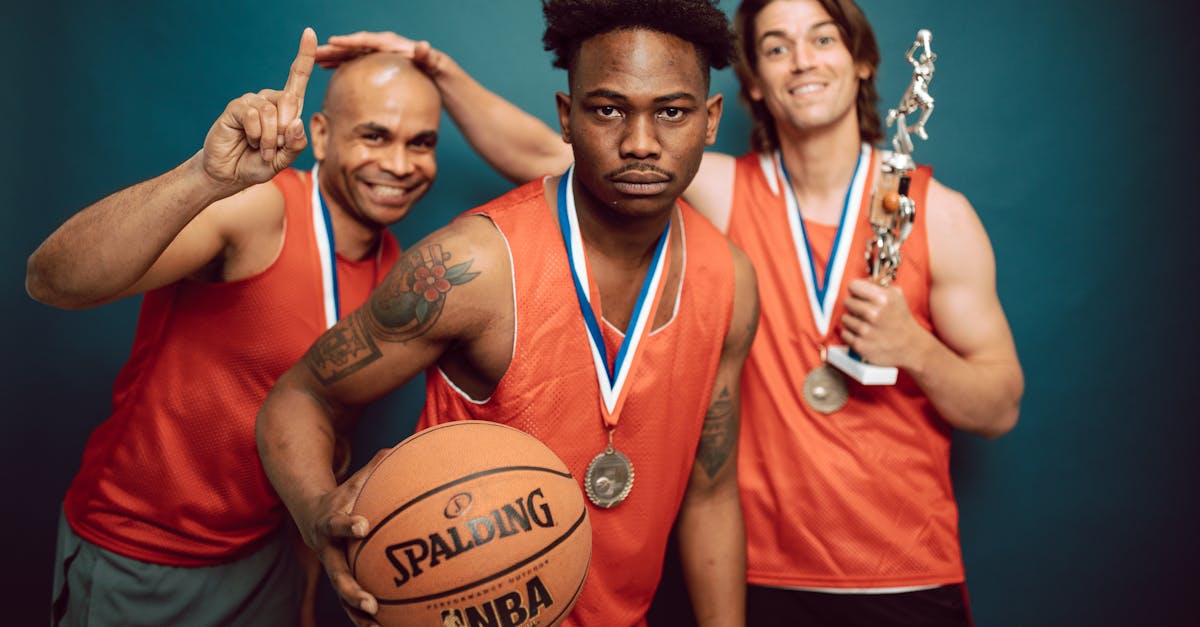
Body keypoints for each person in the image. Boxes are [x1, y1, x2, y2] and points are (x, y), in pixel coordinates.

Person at [319, 0, 1024, 624]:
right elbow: (560, 149)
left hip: (902, 565)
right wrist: (433, 67)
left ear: (863, 60)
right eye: (776, 45)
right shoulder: (716, 187)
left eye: (823, 38)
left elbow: (999, 407)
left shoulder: (935, 213)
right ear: (750, 81)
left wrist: (918, 348)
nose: (801, 60)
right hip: (759, 571)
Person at [256, 1, 758, 626]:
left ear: (710, 121)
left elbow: (710, 494)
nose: (639, 143)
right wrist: (315, 511)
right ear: (566, 117)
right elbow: (298, 397)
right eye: (607, 109)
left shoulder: (729, 279)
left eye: (672, 112)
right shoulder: (472, 268)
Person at [26, 28, 443, 626]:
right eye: (375, 136)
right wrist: (205, 179)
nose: (401, 165)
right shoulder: (261, 211)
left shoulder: (395, 269)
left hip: (264, 559)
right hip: (143, 553)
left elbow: (327, 429)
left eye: (421, 143)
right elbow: (51, 281)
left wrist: (301, 580)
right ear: (321, 135)